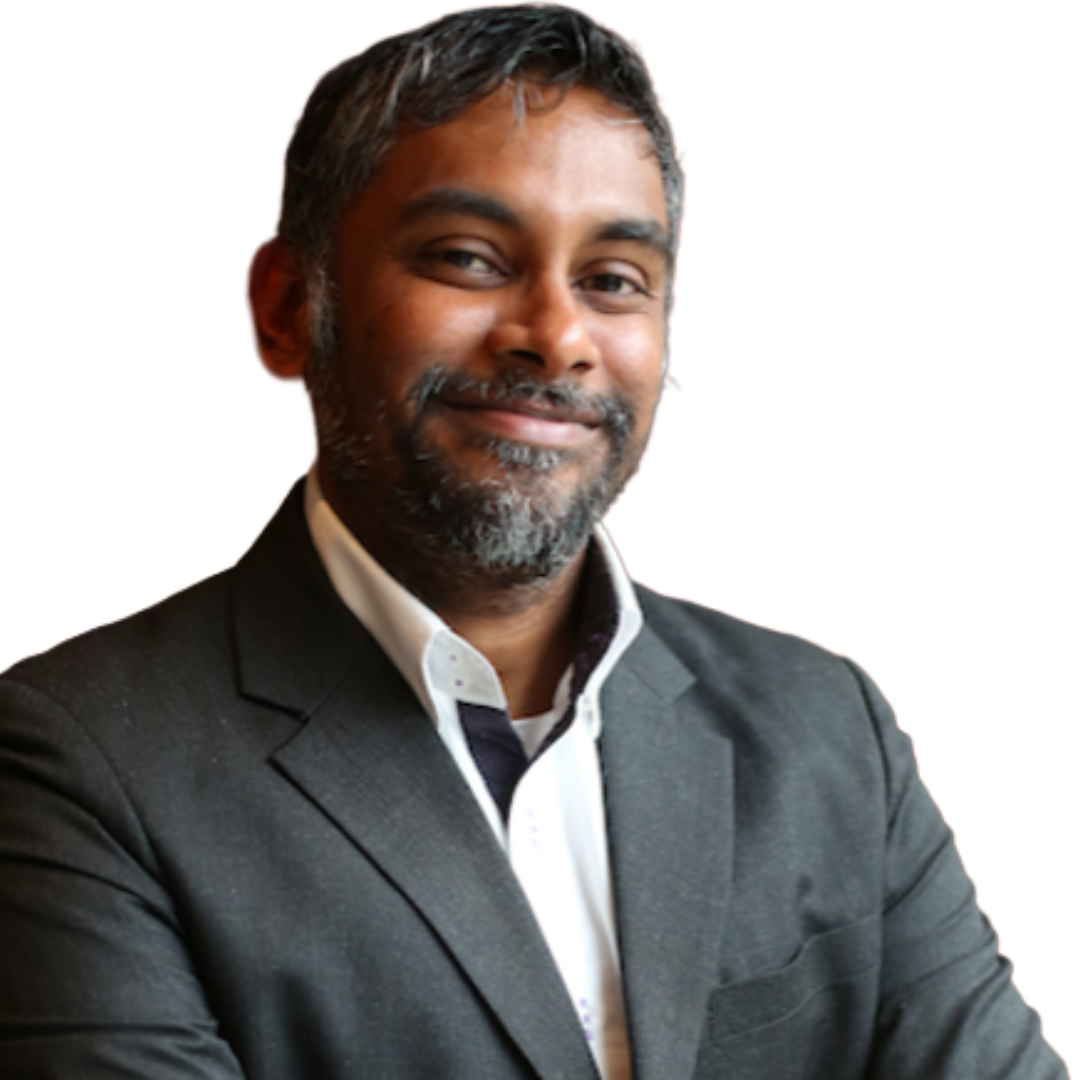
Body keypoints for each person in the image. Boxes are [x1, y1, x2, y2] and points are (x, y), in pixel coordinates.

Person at [0, 5, 1068, 1078]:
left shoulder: (828, 731)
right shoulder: (78, 763)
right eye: (468, 259)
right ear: (291, 309)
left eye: (612, 280)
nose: (556, 338)